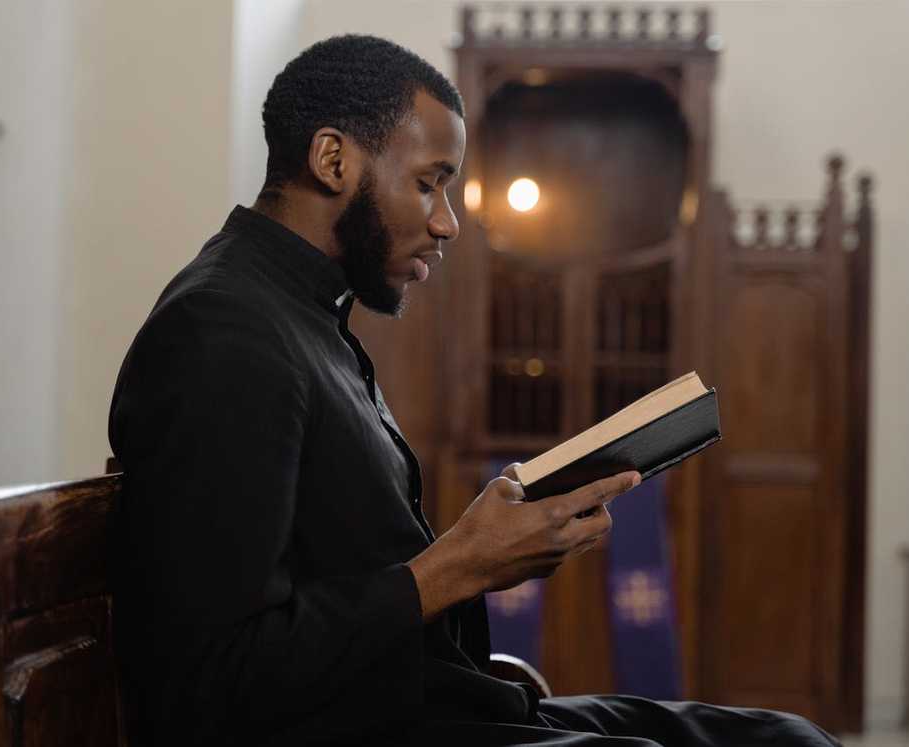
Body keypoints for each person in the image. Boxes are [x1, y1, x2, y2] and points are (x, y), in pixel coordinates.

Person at [108, 34, 839, 747]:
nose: (447, 221)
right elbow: (208, 684)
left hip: (440, 702)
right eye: (428, 182)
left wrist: (487, 545)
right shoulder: (221, 332)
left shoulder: (305, 315)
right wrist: (460, 564)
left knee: (788, 737)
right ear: (333, 159)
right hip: (372, 727)